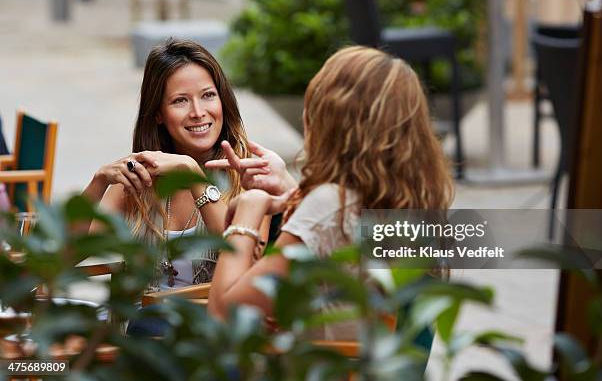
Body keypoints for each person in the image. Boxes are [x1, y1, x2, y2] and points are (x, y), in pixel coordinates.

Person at [206, 46, 455, 340]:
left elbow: (224, 314)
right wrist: (292, 190)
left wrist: (249, 208)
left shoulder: (329, 203)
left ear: (328, 121)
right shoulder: (410, 201)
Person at [82, 38, 269, 296]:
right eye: (180, 101)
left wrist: (192, 175)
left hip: (215, 331)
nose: (198, 112)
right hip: (137, 330)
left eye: (208, 96)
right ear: (158, 113)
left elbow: (244, 268)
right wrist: (98, 183)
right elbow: (68, 254)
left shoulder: (250, 174)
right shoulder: (140, 177)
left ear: (223, 101)